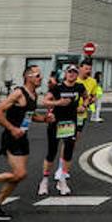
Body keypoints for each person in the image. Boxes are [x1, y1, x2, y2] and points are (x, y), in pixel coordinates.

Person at [0, 64, 45, 221]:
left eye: (41, 75)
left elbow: (30, 115)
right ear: (28, 77)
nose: (41, 78)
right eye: (38, 75)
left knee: (18, 176)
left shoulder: (34, 94)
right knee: (20, 173)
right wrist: (12, 129)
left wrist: (45, 119)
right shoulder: (19, 93)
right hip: (12, 137)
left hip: (22, 137)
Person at [38, 64, 86, 196]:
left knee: (68, 153)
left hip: (71, 123)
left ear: (77, 75)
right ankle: (45, 180)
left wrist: (84, 106)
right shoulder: (57, 88)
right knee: (52, 152)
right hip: (56, 122)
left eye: (74, 72)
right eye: (69, 72)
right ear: (65, 73)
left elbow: (87, 97)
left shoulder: (79, 87)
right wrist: (58, 103)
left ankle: (62, 180)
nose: (72, 74)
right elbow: (45, 101)